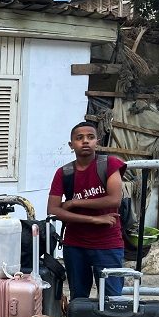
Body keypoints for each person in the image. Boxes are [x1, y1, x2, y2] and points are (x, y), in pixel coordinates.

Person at [48, 121, 125, 299]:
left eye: (90, 137)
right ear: (71, 144)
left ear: (97, 141)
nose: (85, 141)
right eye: (79, 138)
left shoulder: (110, 164)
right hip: (75, 245)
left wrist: (75, 203)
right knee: (79, 298)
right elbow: (53, 209)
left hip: (108, 244)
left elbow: (114, 199)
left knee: (112, 299)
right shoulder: (64, 172)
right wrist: (94, 219)